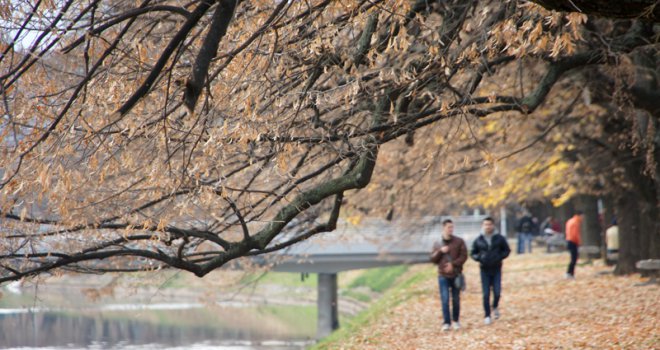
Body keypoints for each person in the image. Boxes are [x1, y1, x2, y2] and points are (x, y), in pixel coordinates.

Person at [471, 217, 511, 325]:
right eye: (485, 224)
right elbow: (473, 253)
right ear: (483, 226)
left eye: (489, 224)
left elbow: (507, 250)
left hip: (497, 268)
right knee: (486, 293)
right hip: (484, 269)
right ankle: (487, 315)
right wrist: (479, 258)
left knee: (497, 291)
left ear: (493, 225)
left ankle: (495, 306)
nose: (488, 226)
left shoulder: (499, 238)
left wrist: (499, 256)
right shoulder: (479, 239)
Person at [430, 219, 467, 331]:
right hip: (443, 276)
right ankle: (446, 322)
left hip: (456, 274)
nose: (450, 229)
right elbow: (433, 259)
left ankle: (455, 320)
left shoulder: (459, 241)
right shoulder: (437, 243)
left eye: (452, 227)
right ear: (443, 228)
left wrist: (453, 264)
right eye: (448, 227)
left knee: (455, 299)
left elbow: (464, 256)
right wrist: (440, 251)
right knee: (445, 299)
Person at [565, 210, 583, 279]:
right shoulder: (575, 222)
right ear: (579, 215)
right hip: (573, 241)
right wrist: (579, 242)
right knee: (574, 258)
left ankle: (569, 273)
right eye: (582, 216)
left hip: (569, 240)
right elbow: (575, 234)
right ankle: (570, 273)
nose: (582, 218)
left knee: (573, 258)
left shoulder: (570, 221)